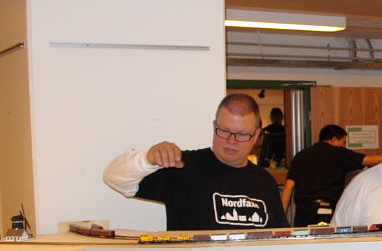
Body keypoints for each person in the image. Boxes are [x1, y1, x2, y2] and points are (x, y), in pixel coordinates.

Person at [102, 93, 287, 231]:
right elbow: (114, 178)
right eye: (224, 131)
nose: (231, 140)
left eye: (241, 134)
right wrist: (147, 158)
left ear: (256, 135)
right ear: (214, 126)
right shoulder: (183, 167)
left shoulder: (265, 182)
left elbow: (279, 239)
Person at [281, 124, 382, 227]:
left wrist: (280, 218)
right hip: (325, 209)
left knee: (302, 238)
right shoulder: (339, 153)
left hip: (301, 211)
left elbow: (288, 186)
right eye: (343, 142)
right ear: (334, 139)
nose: (344, 146)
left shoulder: (300, 155)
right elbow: (373, 160)